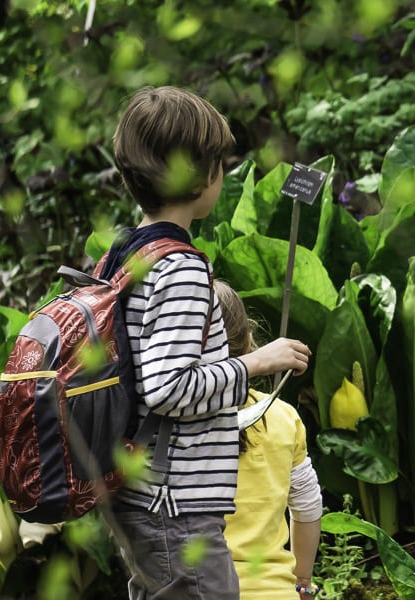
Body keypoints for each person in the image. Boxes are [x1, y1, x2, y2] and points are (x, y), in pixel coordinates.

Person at [106, 85, 312, 600]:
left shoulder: (128, 254)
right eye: (220, 161)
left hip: (146, 496)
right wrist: (256, 362)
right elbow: (168, 386)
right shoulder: (181, 268)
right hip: (176, 508)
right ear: (202, 176)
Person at [214, 280, 323, 599]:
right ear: (249, 339)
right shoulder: (283, 417)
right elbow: (308, 505)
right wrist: (302, 579)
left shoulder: (165, 425)